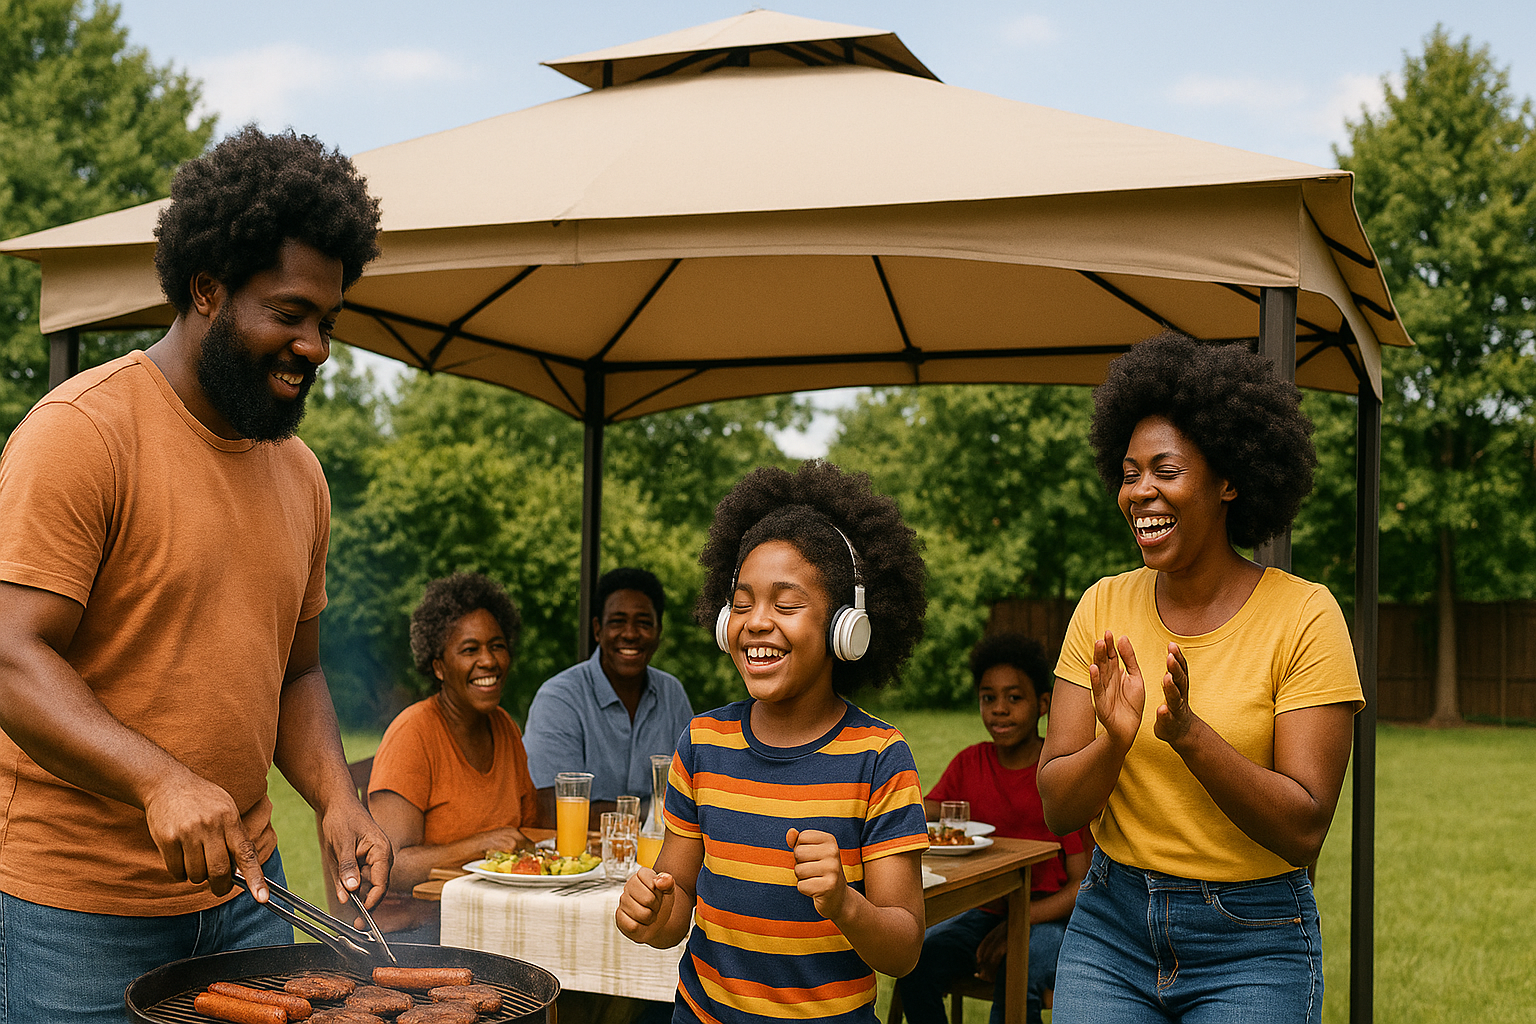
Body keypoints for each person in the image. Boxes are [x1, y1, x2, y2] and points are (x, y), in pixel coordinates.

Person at [0, 126, 392, 1022]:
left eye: (327, 322)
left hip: (248, 894)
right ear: (207, 289)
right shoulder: (81, 434)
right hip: (76, 913)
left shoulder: (301, 474)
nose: (316, 347)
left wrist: (338, 800)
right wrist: (160, 780)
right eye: (289, 313)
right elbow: (12, 656)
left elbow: (296, 672)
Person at [1036, 332, 1364, 1024]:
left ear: (1228, 482)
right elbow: (1058, 808)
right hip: (1111, 927)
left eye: (1166, 470)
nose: (1141, 492)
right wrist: (1113, 742)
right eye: (1129, 473)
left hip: (1254, 939)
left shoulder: (1305, 615)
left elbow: (1305, 828)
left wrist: (1190, 736)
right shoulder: (1101, 605)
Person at [616, 460, 932, 1023]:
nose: (757, 622)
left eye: (786, 605)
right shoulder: (701, 743)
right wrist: (653, 914)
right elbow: (676, 905)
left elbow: (903, 950)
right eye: (742, 604)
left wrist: (844, 903)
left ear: (845, 627)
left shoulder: (879, 759)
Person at [897, 632, 1090, 1024]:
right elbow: (923, 812)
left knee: (1019, 970)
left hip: (1050, 916)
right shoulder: (970, 763)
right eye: (988, 698)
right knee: (915, 960)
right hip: (984, 909)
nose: (999, 709)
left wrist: (1018, 923)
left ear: (1043, 705)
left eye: (1014, 698)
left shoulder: (1055, 774)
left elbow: (1081, 885)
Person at [367, 572, 540, 943]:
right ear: (439, 667)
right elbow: (388, 867)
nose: (488, 661)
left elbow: (523, 838)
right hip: (416, 934)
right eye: (470, 650)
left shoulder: (505, 728)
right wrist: (481, 846)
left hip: (493, 920)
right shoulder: (413, 733)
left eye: (497, 646)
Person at [524, 567, 694, 827]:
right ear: (597, 630)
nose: (630, 633)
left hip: (657, 853)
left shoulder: (672, 694)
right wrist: (653, 812)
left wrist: (602, 811)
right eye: (617, 621)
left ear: (658, 632)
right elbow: (553, 812)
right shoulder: (558, 698)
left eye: (644, 623)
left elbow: (693, 799)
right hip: (579, 853)